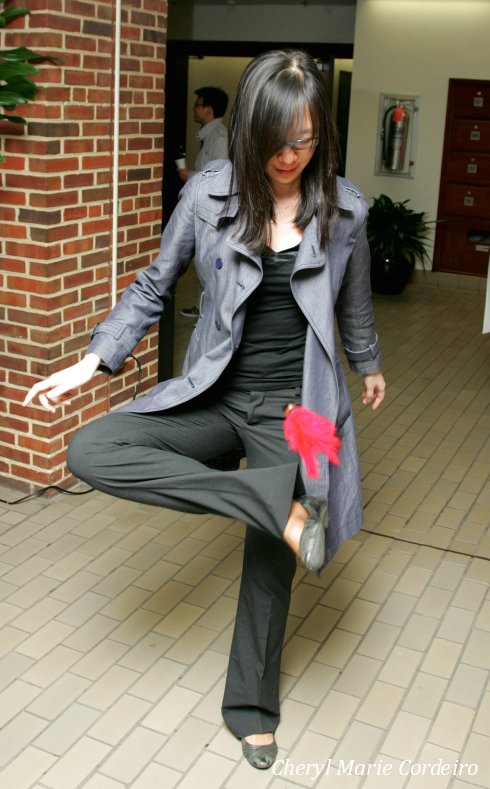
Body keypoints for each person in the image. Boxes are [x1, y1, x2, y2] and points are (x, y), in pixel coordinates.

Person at [23, 50, 385, 771]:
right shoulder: (209, 196)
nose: (290, 156)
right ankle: (273, 504)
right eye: (277, 139)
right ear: (249, 128)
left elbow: (354, 303)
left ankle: (251, 709)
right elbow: (154, 286)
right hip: (214, 393)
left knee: (269, 563)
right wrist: (92, 359)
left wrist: (369, 364)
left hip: (297, 409)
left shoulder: (344, 209)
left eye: (306, 140)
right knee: (92, 450)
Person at [177, 86, 229, 318]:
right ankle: (202, 307)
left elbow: (218, 177)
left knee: (210, 260)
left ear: (208, 110)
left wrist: (188, 175)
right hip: (205, 209)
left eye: (197, 104)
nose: (193, 109)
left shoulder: (219, 137)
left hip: (214, 211)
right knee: (203, 259)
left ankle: (210, 310)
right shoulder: (209, 135)